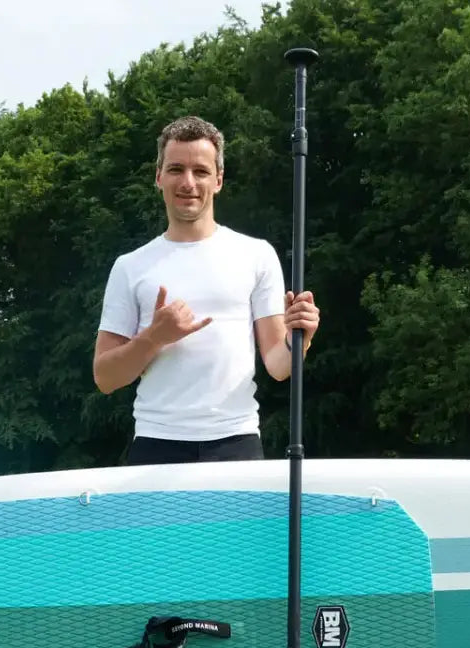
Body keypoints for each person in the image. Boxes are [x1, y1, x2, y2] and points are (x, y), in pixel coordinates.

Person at [92, 115, 321, 465]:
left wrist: (300, 338)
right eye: (176, 169)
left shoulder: (256, 255)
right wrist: (153, 337)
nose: (188, 182)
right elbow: (105, 377)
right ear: (158, 178)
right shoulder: (130, 266)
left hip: (236, 442)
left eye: (200, 171)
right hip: (157, 443)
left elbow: (278, 363)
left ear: (218, 180)